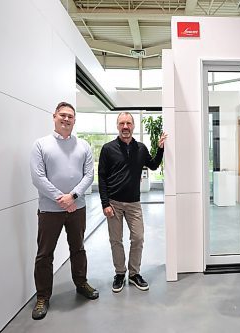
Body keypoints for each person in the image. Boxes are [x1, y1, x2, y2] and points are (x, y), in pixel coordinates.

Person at [29, 102, 98, 320]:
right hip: (50, 210)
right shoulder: (41, 145)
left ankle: (81, 283)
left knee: (78, 249)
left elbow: (89, 175)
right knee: (44, 254)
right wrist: (62, 199)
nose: (66, 119)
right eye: (62, 115)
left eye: (70, 116)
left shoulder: (84, 146)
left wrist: (73, 197)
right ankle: (42, 297)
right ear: (54, 117)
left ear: (74, 120)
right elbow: (37, 177)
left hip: (77, 208)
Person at [98, 112, 167, 293]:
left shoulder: (141, 148)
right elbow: (102, 178)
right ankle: (120, 273)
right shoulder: (108, 149)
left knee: (138, 238)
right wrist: (105, 203)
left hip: (134, 203)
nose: (125, 126)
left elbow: (153, 165)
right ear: (117, 126)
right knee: (116, 240)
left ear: (134, 126)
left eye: (128, 123)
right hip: (113, 203)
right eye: (122, 123)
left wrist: (160, 149)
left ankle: (134, 273)